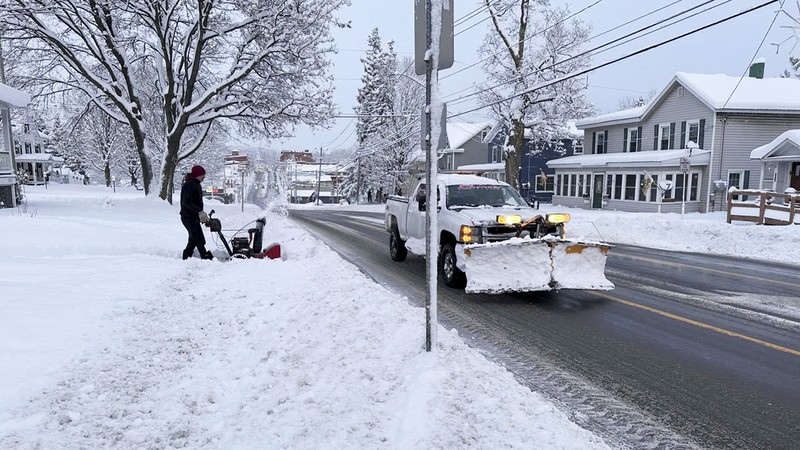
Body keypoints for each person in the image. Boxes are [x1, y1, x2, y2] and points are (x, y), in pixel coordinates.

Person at [180, 165, 213, 260]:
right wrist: (199, 211)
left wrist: (200, 213)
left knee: (193, 238)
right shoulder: (189, 185)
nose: (204, 177)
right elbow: (187, 202)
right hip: (188, 216)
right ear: (197, 175)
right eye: (203, 175)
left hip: (193, 216)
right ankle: (204, 255)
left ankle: (186, 257)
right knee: (199, 238)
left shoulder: (196, 184)